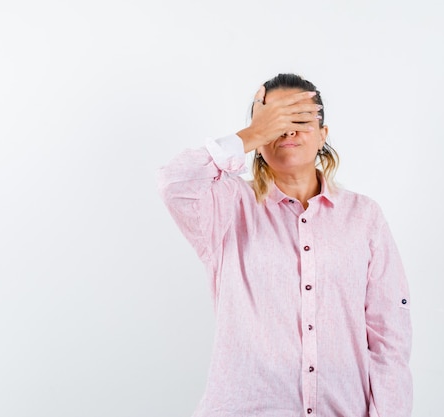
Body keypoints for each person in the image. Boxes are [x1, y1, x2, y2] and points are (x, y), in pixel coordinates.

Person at [157, 73, 412, 417]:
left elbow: (388, 336)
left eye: (301, 120)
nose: (289, 131)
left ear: (323, 134)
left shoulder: (363, 216)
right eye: (276, 122)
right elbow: (176, 183)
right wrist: (250, 135)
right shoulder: (229, 205)